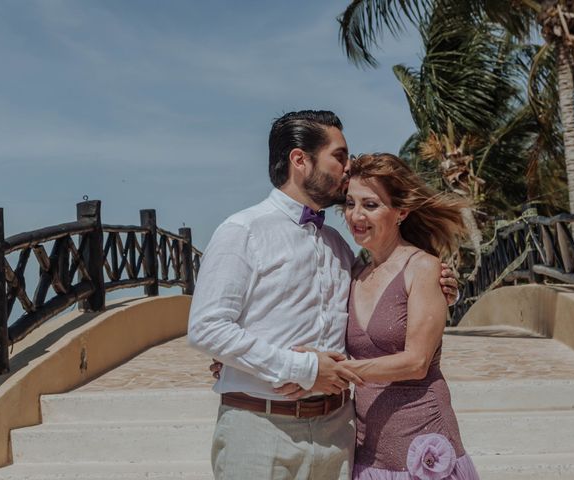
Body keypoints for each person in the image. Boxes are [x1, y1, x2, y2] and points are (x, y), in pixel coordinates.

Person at [188, 111, 459, 480]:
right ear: (301, 160)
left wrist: (441, 290)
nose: (348, 168)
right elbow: (206, 328)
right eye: (340, 155)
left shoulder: (340, 248)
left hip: (339, 433)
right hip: (261, 430)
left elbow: (382, 301)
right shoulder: (243, 231)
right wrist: (300, 369)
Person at [341, 153, 479, 479]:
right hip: (370, 451)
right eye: (350, 203)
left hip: (422, 444)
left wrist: (341, 370)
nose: (355, 215)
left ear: (401, 211)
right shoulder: (354, 273)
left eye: (370, 205)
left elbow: (416, 363)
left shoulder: (423, 268)